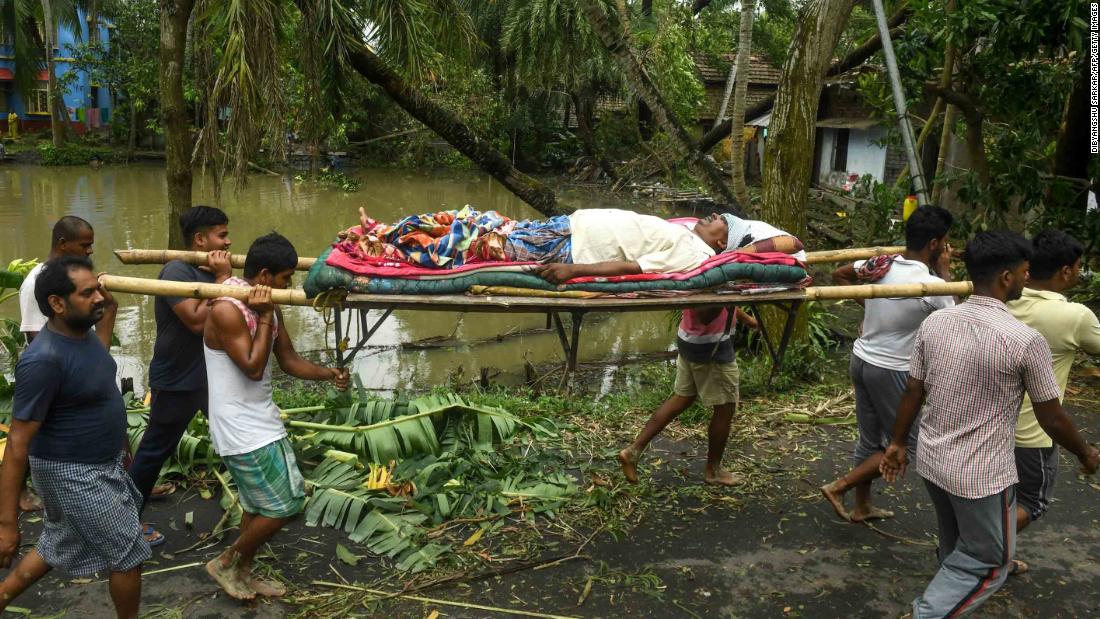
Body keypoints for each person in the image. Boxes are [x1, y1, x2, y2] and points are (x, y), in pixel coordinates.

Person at [880, 231, 1100, 619]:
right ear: (1006, 277)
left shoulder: (938, 322)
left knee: (957, 545)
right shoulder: (1023, 340)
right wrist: (1085, 452)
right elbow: (1051, 416)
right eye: (1024, 272)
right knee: (990, 562)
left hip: (933, 459)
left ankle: (945, 599)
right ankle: (927, 613)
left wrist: (898, 443)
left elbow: (914, 388)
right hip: (980, 474)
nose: (1027, 279)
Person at [202, 233, 349, 600]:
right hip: (239, 428)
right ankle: (225, 562)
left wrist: (328, 372)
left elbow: (289, 361)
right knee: (285, 505)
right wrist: (266, 316)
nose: (288, 286)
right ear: (265, 276)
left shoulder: (267, 307)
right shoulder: (226, 308)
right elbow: (253, 367)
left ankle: (243, 571)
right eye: (285, 279)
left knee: (258, 506)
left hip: (263, 420)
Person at [0, 257, 147, 619]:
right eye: (87, 293)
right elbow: (18, 443)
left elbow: (103, 352)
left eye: (97, 289)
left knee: (56, 545)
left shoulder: (85, 336)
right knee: (129, 555)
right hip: (73, 472)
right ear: (56, 303)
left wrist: (105, 298)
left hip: (100, 463)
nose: (98, 297)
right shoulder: (44, 360)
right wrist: (6, 525)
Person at [821, 206, 955, 522]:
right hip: (892, 369)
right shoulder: (933, 285)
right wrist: (946, 272)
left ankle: (862, 506)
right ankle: (840, 487)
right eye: (946, 244)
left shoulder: (880, 264)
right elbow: (956, 319)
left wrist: (871, 309)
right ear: (935, 245)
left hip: (862, 359)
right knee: (907, 443)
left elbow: (840, 273)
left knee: (869, 440)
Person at [127, 207, 232, 541]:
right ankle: (125, 523)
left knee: (237, 438)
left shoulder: (209, 270)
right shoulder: (176, 271)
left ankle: (262, 505)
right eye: (221, 235)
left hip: (212, 377)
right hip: (177, 379)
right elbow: (199, 322)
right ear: (200, 239)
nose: (228, 242)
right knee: (156, 449)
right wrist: (223, 279)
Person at [1006, 230, 1100, 567]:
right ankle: (977, 549)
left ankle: (991, 553)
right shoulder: (1075, 316)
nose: (1078, 273)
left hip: (991, 427)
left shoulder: (1003, 298)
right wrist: (1086, 452)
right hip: (1035, 434)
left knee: (998, 497)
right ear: (1065, 271)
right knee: (1031, 502)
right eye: (1077, 267)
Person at [618, 304, 760, 486]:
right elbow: (705, 313)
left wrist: (746, 318)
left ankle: (633, 452)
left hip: (691, 339)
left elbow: (723, 299)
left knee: (682, 398)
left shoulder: (703, 275)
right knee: (725, 407)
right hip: (711, 347)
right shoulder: (713, 276)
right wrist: (729, 293)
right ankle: (714, 471)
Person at [19, 216, 95, 343]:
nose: (90, 251)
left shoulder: (77, 276)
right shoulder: (34, 282)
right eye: (84, 245)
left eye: (91, 245)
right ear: (63, 244)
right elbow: (34, 336)